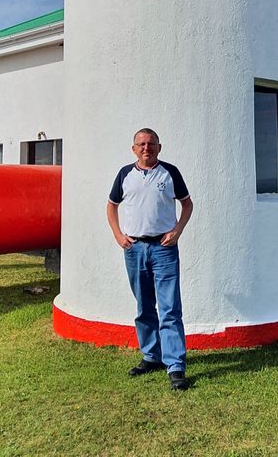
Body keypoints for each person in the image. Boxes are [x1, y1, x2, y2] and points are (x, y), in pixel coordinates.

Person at [107, 128, 193, 391]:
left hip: (163, 249)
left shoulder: (170, 173)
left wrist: (176, 230)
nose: (147, 148)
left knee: (169, 308)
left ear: (159, 147)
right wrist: (118, 235)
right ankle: (151, 356)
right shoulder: (125, 174)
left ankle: (175, 366)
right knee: (144, 306)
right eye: (141, 144)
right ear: (134, 148)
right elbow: (111, 205)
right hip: (134, 249)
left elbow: (187, 204)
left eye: (151, 144)